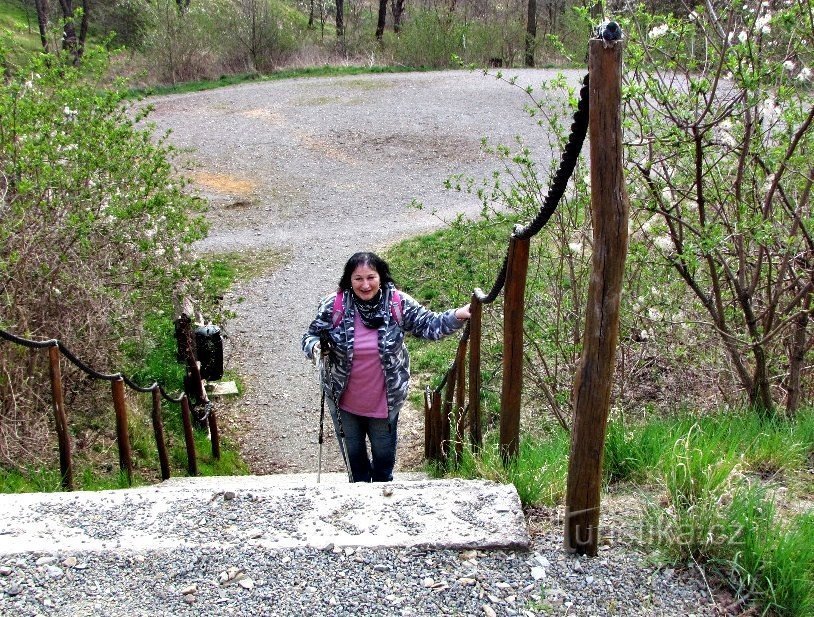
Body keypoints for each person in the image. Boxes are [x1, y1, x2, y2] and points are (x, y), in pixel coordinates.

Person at [302, 251, 471, 483]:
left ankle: (383, 500)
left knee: (383, 459)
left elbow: (428, 324)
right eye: (358, 279)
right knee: (354, 462)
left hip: (385, 399)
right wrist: (316, 349)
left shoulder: (397, 302)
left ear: (381, 277)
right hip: (342, 398)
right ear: (348, 280)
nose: (365, 284)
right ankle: (359, 503)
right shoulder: (334, 305)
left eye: (371, 277)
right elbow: (310, 336)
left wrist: (457, 316)